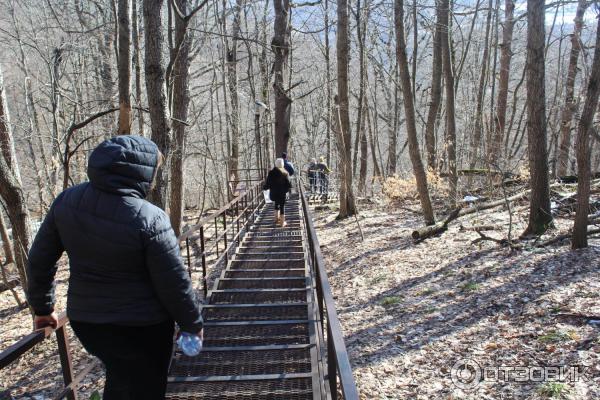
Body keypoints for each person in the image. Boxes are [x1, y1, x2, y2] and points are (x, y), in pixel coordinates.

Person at [26, 135, 203, 399]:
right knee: (146, 385)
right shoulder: (150, 218)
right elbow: (174, 282)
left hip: (89, 323)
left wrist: (42, 308)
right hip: (143, 325)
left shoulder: (67, 201)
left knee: (122, 375)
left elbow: (40, 259)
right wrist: (192, 323)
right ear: (141, 172)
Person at [263, 158, 292, 227]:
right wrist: (286, 190)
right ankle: (282, 222)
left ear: (275, 164)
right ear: (282, 164)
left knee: (276, 203)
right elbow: (289, 185)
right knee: (282, 206)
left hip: (273, 194)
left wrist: (265, 188)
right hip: (282, 193)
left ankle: (276, 218)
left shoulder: (271, 172)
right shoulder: (285, 173)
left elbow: (268, 184)